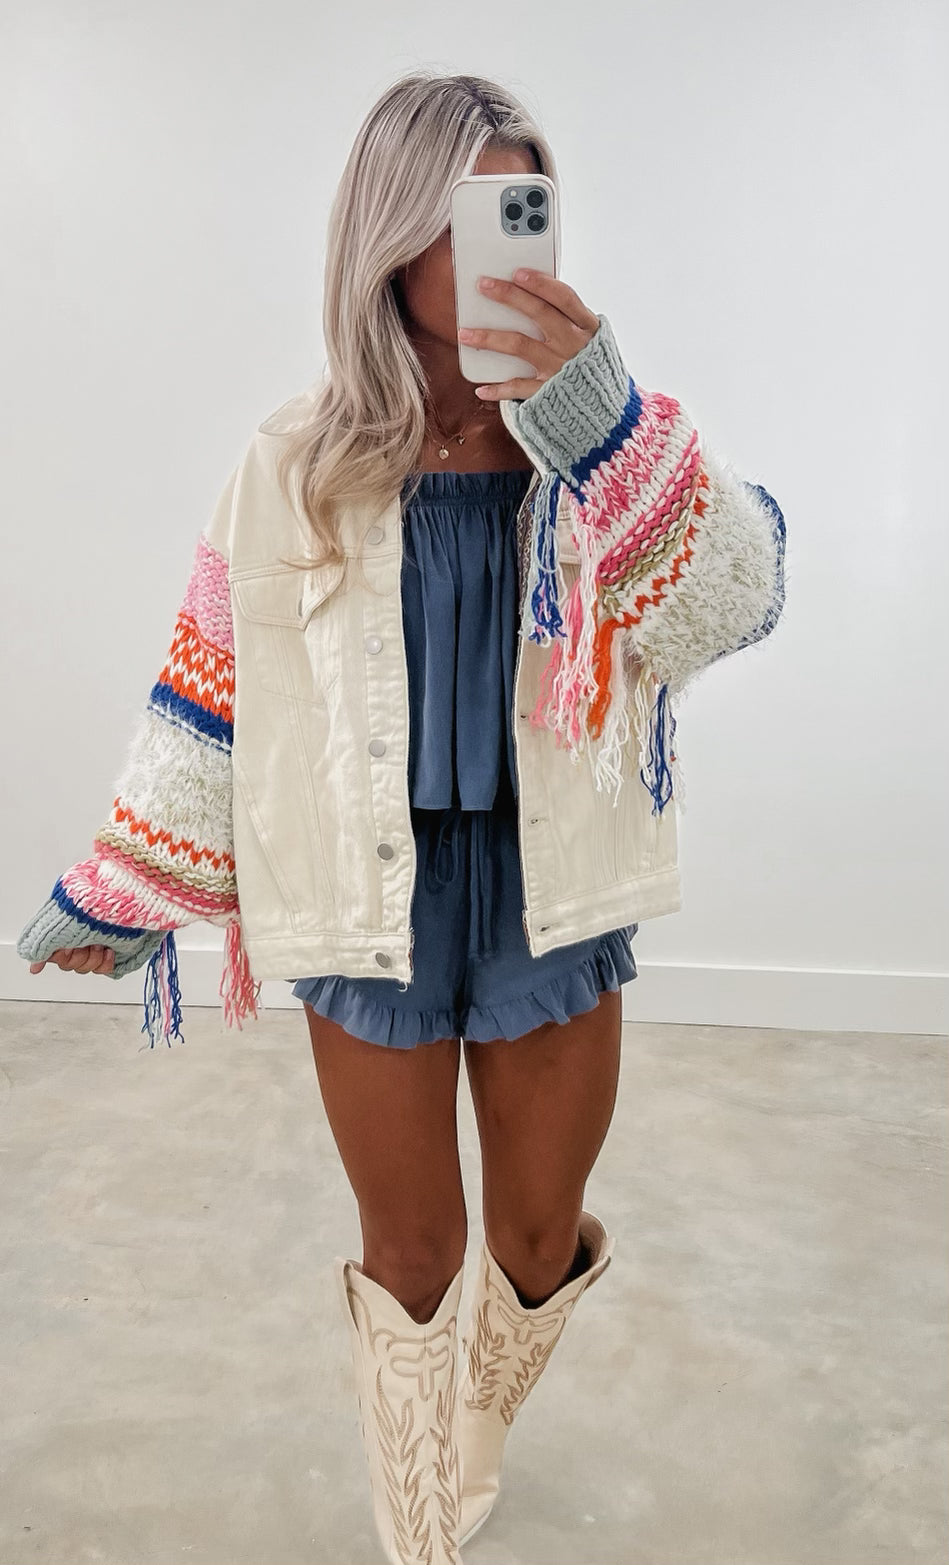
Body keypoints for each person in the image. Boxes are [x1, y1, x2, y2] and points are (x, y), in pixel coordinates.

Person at [17, 70, 786, 1565]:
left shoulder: (603, 450)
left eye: (526, 210)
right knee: (416, 1253)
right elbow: (212, 687)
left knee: (536, 1240)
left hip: (551, 885)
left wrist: (607, 427)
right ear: (388, 233)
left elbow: (730, 602)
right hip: (365, 898)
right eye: (469, 215)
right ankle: (420, 1522)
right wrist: (125, 879)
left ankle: (475, 1422)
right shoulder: (294, 463)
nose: (507, 247)